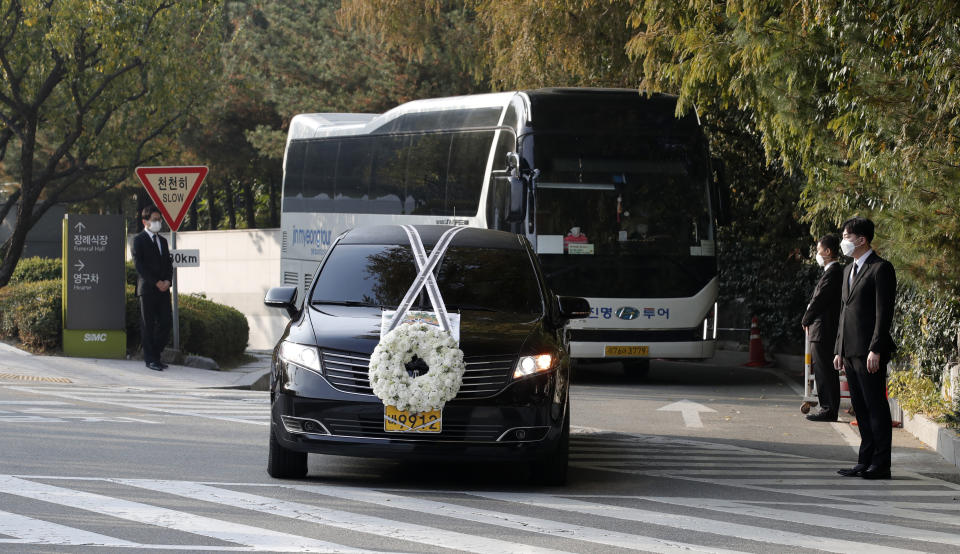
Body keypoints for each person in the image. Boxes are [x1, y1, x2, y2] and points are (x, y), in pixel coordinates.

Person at [834, 216, 897, 480]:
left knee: (875, 407)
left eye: (847, 236)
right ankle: (865, 460)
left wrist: (876, 348)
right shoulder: (848, 270)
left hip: (869, 352)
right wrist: (839, 348)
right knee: (859, 407)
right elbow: (843, 312)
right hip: (849, 350)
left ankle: (881, 464)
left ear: (862, 239)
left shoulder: (881, 268)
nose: (844, 241)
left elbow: (884, 313)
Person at [802, 234, 843, 422]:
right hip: (822, 328)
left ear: (827, 251)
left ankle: (828, 408)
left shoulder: (834, 272)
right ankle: (827, 406)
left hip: (824, 328)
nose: (817, 253)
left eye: (819, 250)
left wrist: (806, 319)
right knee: (823, 370)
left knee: (825, 370)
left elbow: (820, 300)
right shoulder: (831, 272)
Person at [132, 206, 173, 371]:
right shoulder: (138, 240)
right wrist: (156, 282)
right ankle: (150, 360)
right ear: (145, 221)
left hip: (164, 289)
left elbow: (169, 265)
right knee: (147, 325)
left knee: (166, 322)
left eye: (159, 220)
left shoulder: (162, 241)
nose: (158, 223)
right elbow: (139, 266)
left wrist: (168, 281)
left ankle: (156, 354)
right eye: (154, 220)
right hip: (148, 289)